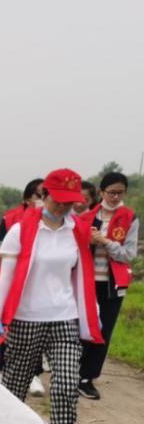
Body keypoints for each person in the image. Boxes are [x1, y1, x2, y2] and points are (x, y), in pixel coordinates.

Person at [0, 168, 102, 424]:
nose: (63, 207)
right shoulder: (22, 229)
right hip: (26, 318)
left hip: (64, 317)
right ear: (44, 194)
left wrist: (93, 312)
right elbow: (6, 277)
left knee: (66, 384)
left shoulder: (77, 231)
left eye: (69, 202)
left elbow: (82, 277)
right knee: (15, 387)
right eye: (57, 200)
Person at [78, 171, 139, 399]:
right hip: (86, 282)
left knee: (103, 331)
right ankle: (72, 370)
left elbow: (128, 254)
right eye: (111, 192)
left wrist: (106, 242)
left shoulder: (129, 218)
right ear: (101, 192)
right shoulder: (87, 216)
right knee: (82, 328)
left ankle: (87, 377)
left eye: (120, 193)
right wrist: (88, 240)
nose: (115, 197)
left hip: (112, 284)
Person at [0, 178, 46, 396]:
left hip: (39, 287)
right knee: (9, 328)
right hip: (14, 283)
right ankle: (2, 368)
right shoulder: (12, 220)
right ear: (28, 198)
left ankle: (33, 373)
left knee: (38, 333)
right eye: (39, 195)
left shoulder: (54, 224)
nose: (43, 200)